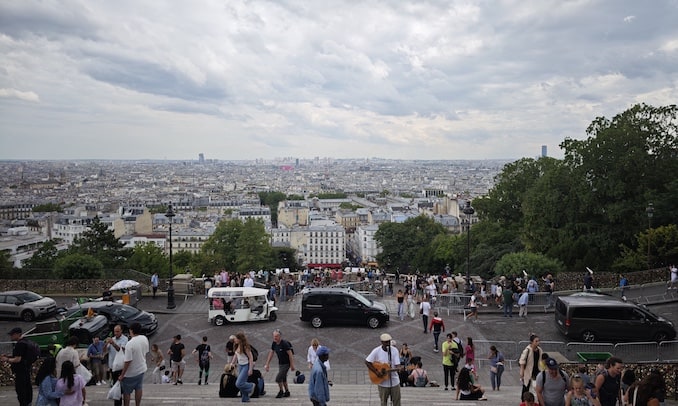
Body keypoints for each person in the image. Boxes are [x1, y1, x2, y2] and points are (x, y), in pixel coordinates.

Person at [365, 333, 402, 406]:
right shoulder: (376, 351)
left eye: (389, 341)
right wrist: (376, 372)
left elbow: (397, 365)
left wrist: (399, 368)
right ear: (382, 342)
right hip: (383, 383)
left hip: (394, 381)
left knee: (397, 402)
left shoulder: (394, 350)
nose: (388, 344)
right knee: (383, 402)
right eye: (386, 342)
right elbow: (367, 362)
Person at [1, 327, 34, 406]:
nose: (11, 336)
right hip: (26, 369)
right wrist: (9, 356)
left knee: (21, 390)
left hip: (20, 371)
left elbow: (17, 359)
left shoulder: (20, 344)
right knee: (27, 388)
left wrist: (6, 359)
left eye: (12, 335)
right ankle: (28, 403)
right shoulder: (26, 341)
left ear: (18, 334)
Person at [118, 322, 149, 406]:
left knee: (127, 392)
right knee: (139, 388)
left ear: (131, 331)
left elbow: (128, 361)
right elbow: (145, 351)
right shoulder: (144, 338)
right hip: (141, 368)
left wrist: (122, 374)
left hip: (131, 373)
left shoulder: (130, 344)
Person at [264, 328, 295, 398]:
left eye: (276, 336)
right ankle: (287, 391)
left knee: (278, 378)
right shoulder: (274, 343)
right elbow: (271, 352)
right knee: (283, 378)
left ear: (280, 336)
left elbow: (290, 354)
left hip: (286, 364)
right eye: (274, 336)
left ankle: (281, 391)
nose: (275, 337)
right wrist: (267, 364)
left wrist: (292, 365)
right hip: (280, 363)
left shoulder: (284, 344)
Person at [105, 324, 128, 406]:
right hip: (113, 366)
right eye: (115, 331)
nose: (116, 333)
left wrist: (113, 343)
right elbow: (104, 351)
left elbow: (121, 350)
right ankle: (117, 403)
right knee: (115, 386)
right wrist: (106, 343)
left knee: (122, 387)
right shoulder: (113, 339)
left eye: (118, 331)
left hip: (120, 366)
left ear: (121, 331)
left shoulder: (125, 339)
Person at [229, 332, 255, 403]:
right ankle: (245, 398)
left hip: (246, 366)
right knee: (242, 382)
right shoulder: (237, 345)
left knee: (239, 383)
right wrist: (232, 363)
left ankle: (251, 386)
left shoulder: (245, 347)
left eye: (237, 338)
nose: (235, 339)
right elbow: (236, 355)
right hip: (240, 365)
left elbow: (251, 358)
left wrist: (250, 369)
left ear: (240, 339)